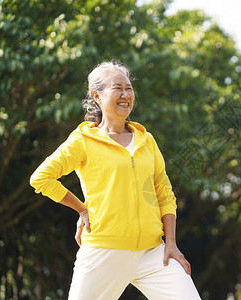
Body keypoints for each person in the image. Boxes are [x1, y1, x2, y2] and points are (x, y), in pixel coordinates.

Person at [30, 61, 201, 300]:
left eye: (129, 88)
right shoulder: (83, 140)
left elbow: (164, 192)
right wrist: (81, 209)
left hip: (153, 253)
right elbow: (41, 178)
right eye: (117, 88)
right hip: (103, 251)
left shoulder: (146, 140)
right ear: (96, 96)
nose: (125, 95)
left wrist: (170, 243)